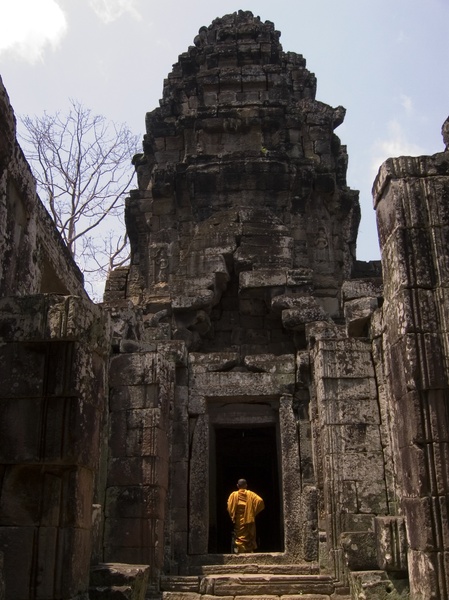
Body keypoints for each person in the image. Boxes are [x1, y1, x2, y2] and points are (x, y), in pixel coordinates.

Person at [227, 478, 265, 553]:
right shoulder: (251, 494)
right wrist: (252, 512)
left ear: (237, 485)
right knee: (248, 535)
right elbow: (260, 501)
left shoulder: (233, 495)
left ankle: (240, 550)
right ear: (246, 485)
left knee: (239, 536)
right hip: (249, 519)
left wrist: (233, 515)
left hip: (239, 520)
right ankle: (248, 550)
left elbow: (229, 507)